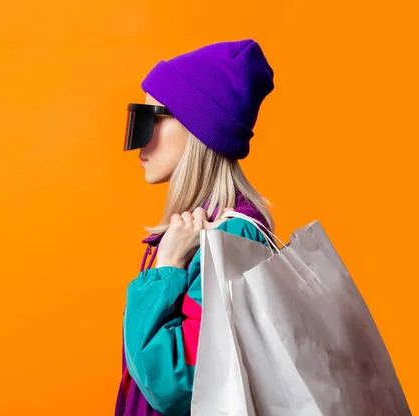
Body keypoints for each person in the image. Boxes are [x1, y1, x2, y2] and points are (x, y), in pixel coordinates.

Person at [115, 39, 276, 416]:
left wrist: (167, 268)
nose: (140, 139)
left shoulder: (231, 236)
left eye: (151, 117)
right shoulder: (193, 230)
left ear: (195, 127)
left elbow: (176, 385)